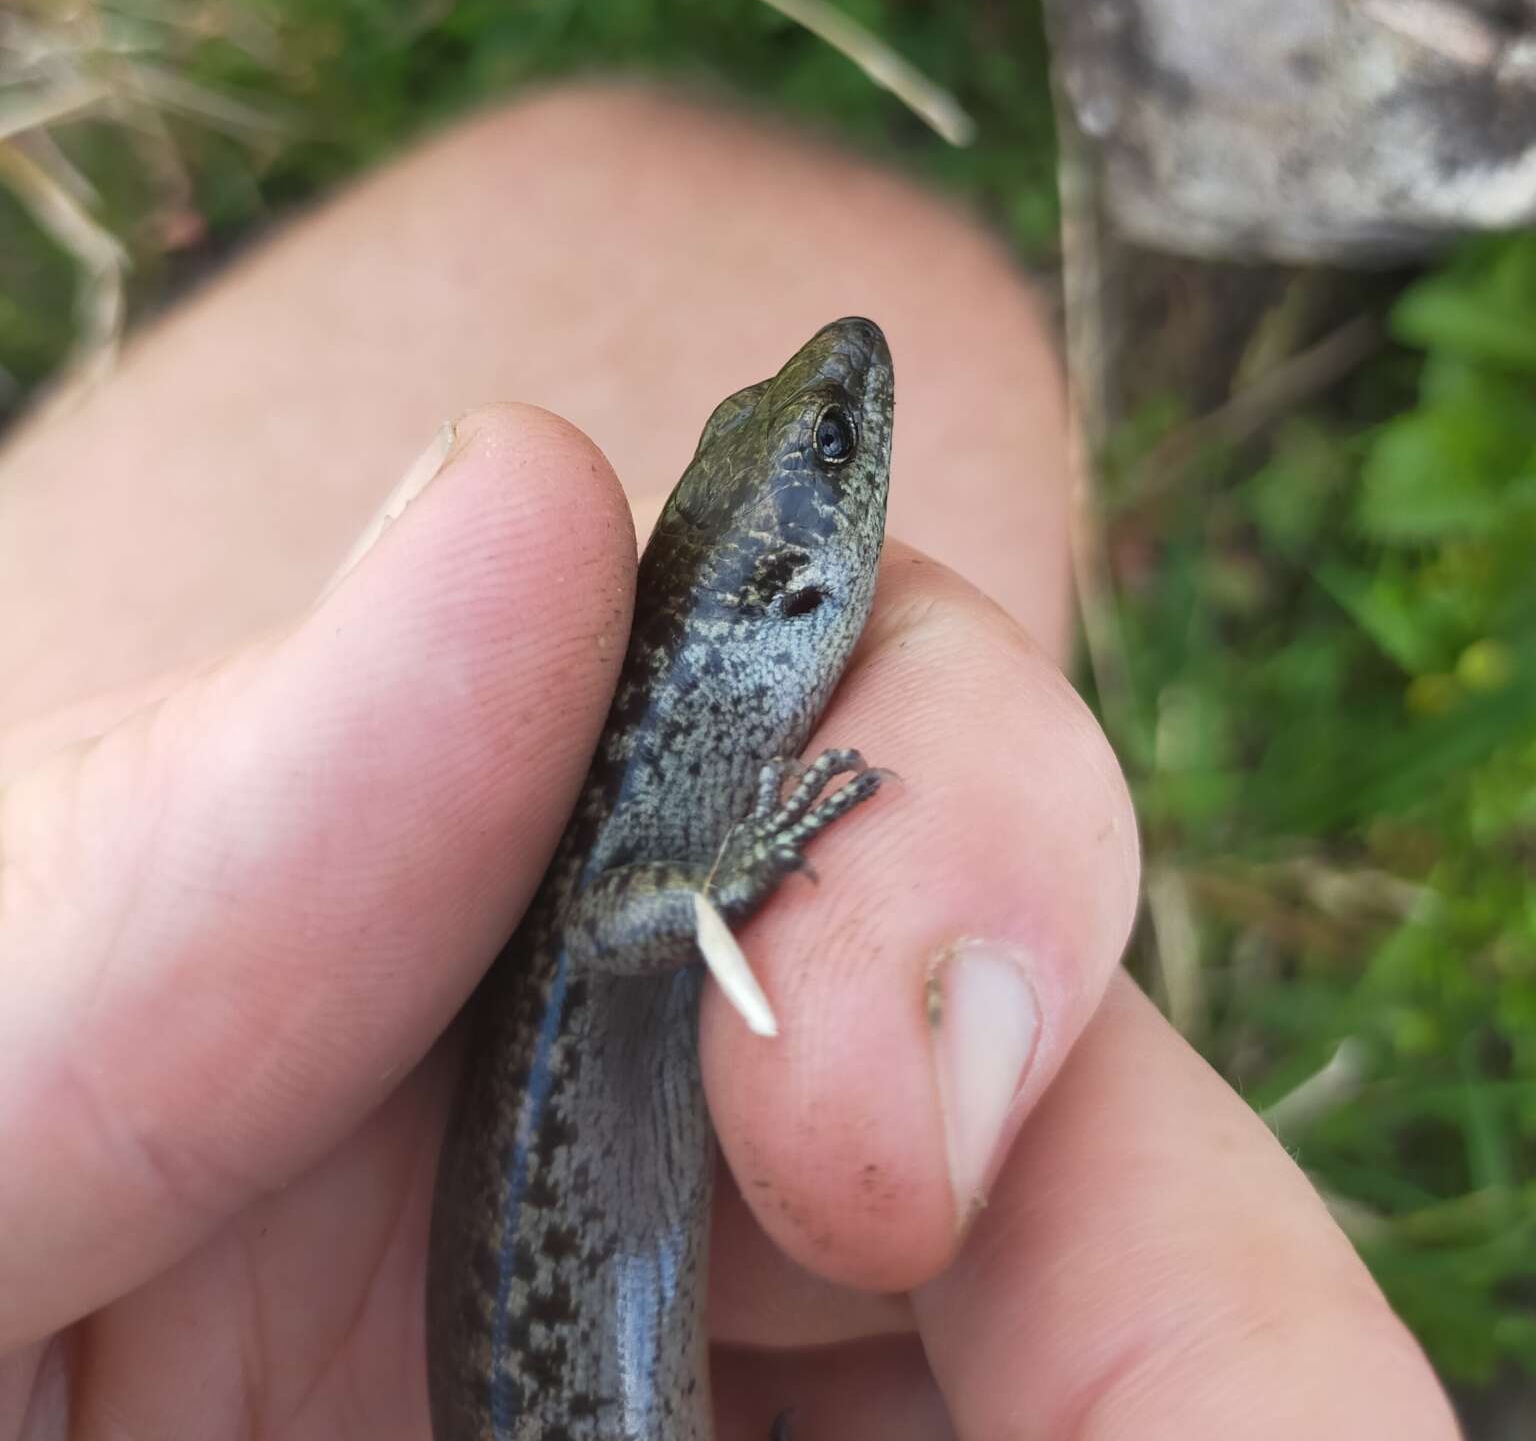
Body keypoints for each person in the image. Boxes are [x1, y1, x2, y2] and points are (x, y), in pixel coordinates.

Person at [0, 81, 1457, 1436]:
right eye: (831, 458)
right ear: (781, 596)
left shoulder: (640, 785)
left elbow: (618, 915)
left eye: (816, 449)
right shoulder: (642, 820)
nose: (848, 392)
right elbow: (614, 923)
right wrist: (745, 866)